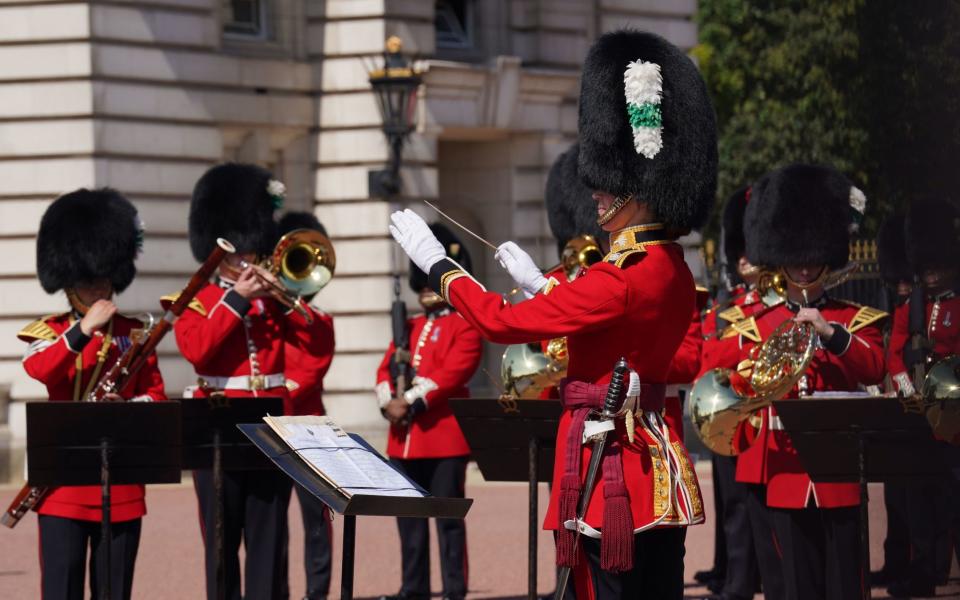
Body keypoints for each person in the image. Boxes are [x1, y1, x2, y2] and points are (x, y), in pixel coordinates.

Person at [390, 29, 716, 599]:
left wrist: (440, 267)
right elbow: (608, 329)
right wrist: (542, 286)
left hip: (611, 463)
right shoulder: (671, 267)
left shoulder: (624, 275)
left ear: (634, 189)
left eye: (606, 184)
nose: (594, 194)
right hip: (654, 461)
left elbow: (498, 323)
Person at [170, 163, 330, 600]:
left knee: (269, 541)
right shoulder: (197, 298)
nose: (248, 255)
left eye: (250, 247)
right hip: (217, 426)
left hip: (270, 426)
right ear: (219, 246)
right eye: (239, 248)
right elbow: (198, 349)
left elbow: (318, 345)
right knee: (221, 543)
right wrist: (238, 298)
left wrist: (284, 300)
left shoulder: (275, 300)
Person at [730, 164, 886, 600]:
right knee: (796, 590)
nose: (802, 270)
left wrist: (831, 335)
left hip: (839, 476)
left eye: (811, 259)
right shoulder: (760, 324)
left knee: (846, 588)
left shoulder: (853, 318)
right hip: (785, 473)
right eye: (795, 260)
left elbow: (873, 366)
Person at [21, 188, 166, 600]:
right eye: (88, 281)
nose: (100, 287)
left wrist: (129, 410)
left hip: (120, 483)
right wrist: (82, 331)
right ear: (69, 283)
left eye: (105, 277)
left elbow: (155, 397)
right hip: (62, 486)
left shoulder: (135, 333)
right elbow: (42, 369)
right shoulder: (48, 331)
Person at [375, 223, 482, 600]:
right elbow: (386, 366)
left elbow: (454, 373)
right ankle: (413, 589)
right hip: (404, 440)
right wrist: (388, 398)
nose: (423, 288)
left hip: (444, 439)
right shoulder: (409, 325)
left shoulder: (464, 324)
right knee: (409, 524)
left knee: (448, 523)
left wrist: (413, 400)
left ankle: (455, 590)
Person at [697, 186, 771, 600]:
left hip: (759, 416)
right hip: (728, 415)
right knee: (733, 507)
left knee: (755, 507)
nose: (744, 260)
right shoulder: (727, 309)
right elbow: (710, 358)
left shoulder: (768, 306)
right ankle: (738, 580)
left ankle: (746, 580)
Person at [884, 197, 960, 598]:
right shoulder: (911, 305)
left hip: (954, 418)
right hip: (919, 416)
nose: (931, 277)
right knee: (921, 502)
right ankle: (926, 571)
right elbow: (894, 353)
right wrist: (906, 387)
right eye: (926, 269)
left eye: (938, 268)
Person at [276, 211, 337, 600]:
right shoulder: (264, 316)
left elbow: (310, 372)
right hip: (268, 427)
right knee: (270, 522)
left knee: (316, 520)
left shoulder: (317, 320)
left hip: (306, 427)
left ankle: (317, 592)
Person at [872, 213, 912, 589]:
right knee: (897, 493)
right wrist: (902, 384)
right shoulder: (902, 308)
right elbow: (895, 355)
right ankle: (899, 560)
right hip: (908, 405)